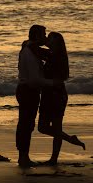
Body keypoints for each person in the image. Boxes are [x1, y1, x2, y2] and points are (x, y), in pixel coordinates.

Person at [38, 31, 85, 165]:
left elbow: (37, 51)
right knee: (42, 127)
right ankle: (70, 139)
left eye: (50, 38)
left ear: (56, 42)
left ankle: (54, 159)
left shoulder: (56, 56)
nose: (47, 39)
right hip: (48, 94)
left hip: (57, 95)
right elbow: (38, 51)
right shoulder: (53, 55)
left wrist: (31, 44)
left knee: (56, 127)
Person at [16, 24, 55, 167]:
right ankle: (23, 157)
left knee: (26, 124)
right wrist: (52, 83)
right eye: (43, 35)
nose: (45, 37)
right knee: (26, 125)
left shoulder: (31, 49)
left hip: (27, 90)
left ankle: (23, 156)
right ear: (37, 36)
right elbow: (35, 79)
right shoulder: (30, 52)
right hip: (28, 90)